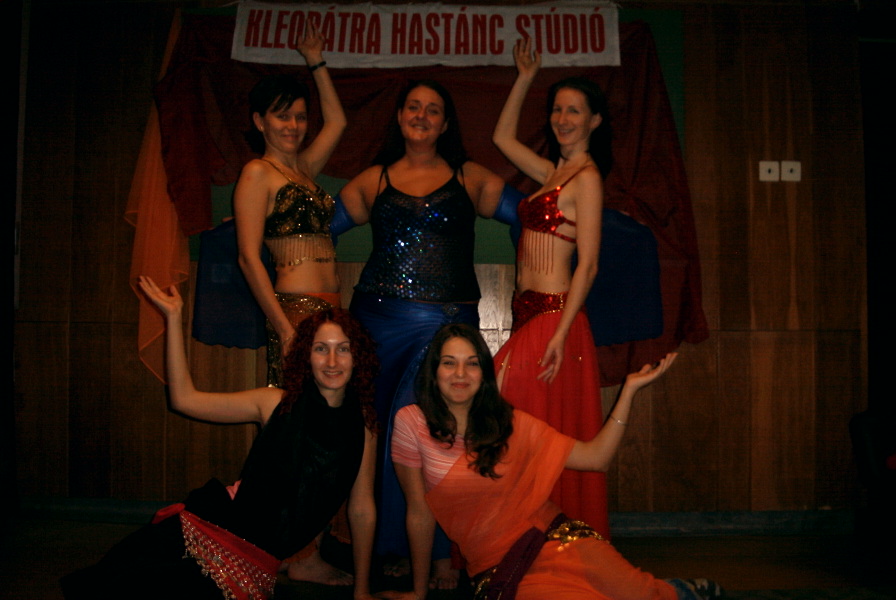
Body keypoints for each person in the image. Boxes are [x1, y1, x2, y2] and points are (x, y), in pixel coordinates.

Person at [60, 277, 378, 600]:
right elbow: (184, 400)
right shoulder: (275, 403)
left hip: (254, 564)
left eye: (343, 349)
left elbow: (362, 509)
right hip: (213, 531)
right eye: (321, 349)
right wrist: (173, 319)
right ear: (306, 356)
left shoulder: (363, 427)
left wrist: (362, 591)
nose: (332, 361)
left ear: (358, 356)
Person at [388, 323, 722, 600]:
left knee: (644, 593)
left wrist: (629, 391)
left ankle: (678, 591)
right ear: (434, 371)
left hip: (558, 540)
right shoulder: (411, 423)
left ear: (483, 373)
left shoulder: (509, 423)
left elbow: (596, 458)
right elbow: (419, 512)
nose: (460, 373)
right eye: (449, 363)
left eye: (472, 363)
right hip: (499, 567)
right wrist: (419, 592)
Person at [338, 79, 511, 587]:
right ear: (399, 116)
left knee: (443, 436)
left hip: (446, 329)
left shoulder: (469, 177)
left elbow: (537, 213)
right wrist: (244, 226)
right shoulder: (373, 180)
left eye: (433, 110)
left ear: (446, 123)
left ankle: (443, 555)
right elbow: (308, 228)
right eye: (413, 107)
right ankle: (394, 548)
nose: (421, 115)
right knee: (383, 436)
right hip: (377, 323)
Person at [491, 37, 612, 537]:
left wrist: (561, 334)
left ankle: (546, 539)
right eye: (558, 110)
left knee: (515, 417)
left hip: (555, 315)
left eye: (574, 111)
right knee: (529, 432)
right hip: (527, 314)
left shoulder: (587, 178)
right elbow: (502, 137)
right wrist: (525, 78)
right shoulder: (553, 173)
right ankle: (525, 541)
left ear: (594, 121)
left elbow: (589, 264)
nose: (562, 119)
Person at [234, 21, 347, 388]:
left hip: (332, 306)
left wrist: (315, 60)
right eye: (282, 116)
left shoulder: (305, 168)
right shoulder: (257, 173)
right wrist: (284, 329)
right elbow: (248, 258)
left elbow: (337, 122)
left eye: (300, 117)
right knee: (298, 404)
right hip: (294, 311)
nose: (293, 125)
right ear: (260, 122)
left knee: (331, 405)